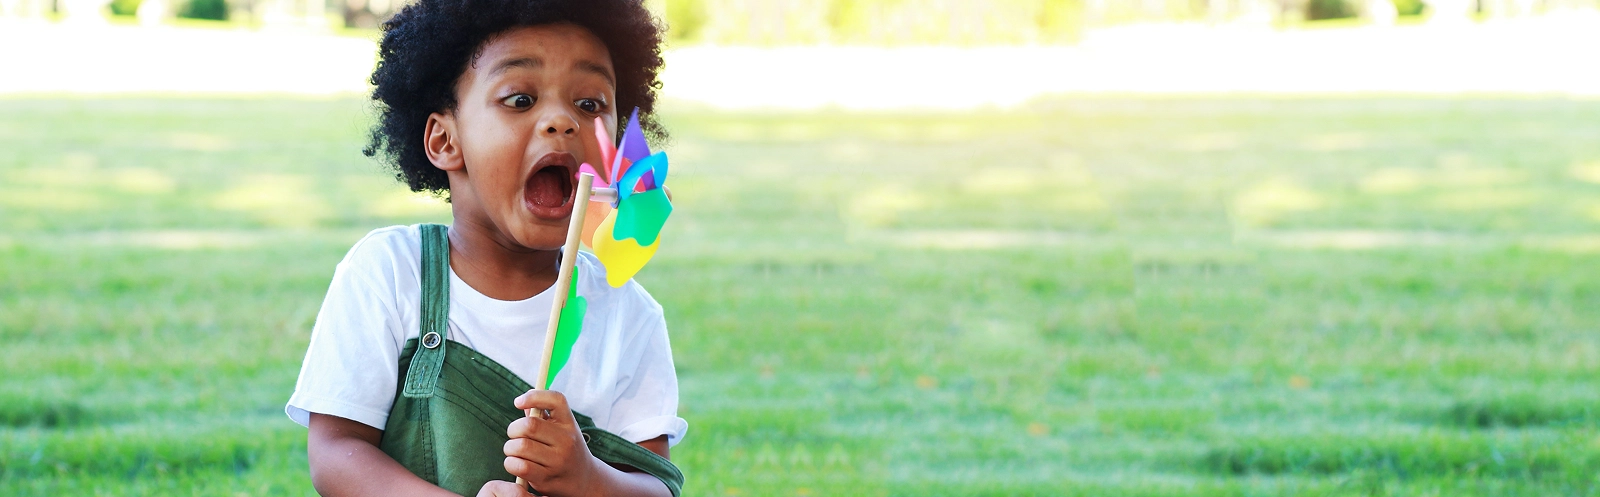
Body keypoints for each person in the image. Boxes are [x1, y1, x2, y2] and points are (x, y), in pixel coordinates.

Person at [284, 1, 685, 496]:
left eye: (590, 105)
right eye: (520, 100)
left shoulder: (627, 314)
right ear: (445, 140)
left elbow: (656, 487)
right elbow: (335, 454)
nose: (562, 121)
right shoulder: (388, 273)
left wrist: (587, 477)